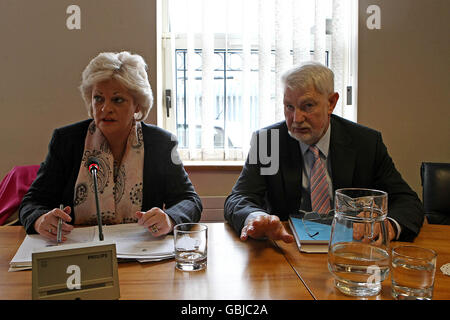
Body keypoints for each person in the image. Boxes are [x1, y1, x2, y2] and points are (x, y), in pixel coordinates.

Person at [224, 62, 424, 243]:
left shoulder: (365, 143)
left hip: (351, 249)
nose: (296, 119)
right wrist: (256, 218)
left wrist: (388, 225)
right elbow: (239, 198)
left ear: (331, 103)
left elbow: (407, 200)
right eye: (289, 107)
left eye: (307, 106)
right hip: (288, 248)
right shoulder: (269, 142)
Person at [19, 51, 202, 241]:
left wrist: (170, 218)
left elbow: (190, 200)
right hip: (77, 252)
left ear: (137, 105)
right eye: (98, 98)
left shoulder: (161, 143)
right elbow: (32, 202)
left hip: (140, 251)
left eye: (117, 99)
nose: (105, 108)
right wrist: (40, 220)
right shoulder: (67, 141)